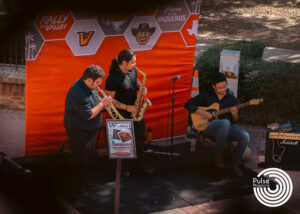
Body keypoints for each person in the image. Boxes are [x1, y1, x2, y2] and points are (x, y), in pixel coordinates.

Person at [184, 72, 249, 176]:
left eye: (224, 87)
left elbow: (236, 120)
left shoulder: (231, 98)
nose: (222, 90)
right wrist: (203, 113)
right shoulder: (207, 95)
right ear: (213, 86)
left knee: (245, 136)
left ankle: (235, 164)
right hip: (208, 126)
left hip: (227, 127)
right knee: (225, 123)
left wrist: (235, 114)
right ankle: (217, 155)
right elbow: (188, 104)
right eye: (219, 88)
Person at [64, 65, 113, 202]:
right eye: (98, 82)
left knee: (85, 160)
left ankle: (82, 184)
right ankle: (76, 192)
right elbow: (88, 114)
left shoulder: (89, 87)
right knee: (79, 162)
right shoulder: (77, 92)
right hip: (79, 132)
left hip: (88, 130)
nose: (99, 86)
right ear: (90, 80)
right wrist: (103, 104)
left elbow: (94, 105)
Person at [105, 49, 152, 177]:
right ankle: (121, 169)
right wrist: (126, 107)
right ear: (124, 62)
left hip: (135, 112)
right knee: (123, 143)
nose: (135, 64)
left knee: (140, 138)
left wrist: (142, 88)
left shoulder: (133, 71)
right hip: (121, 114)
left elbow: (136, 82)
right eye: (133, 62)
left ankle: (138, 166)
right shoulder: (112, 78)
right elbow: (109, 100)